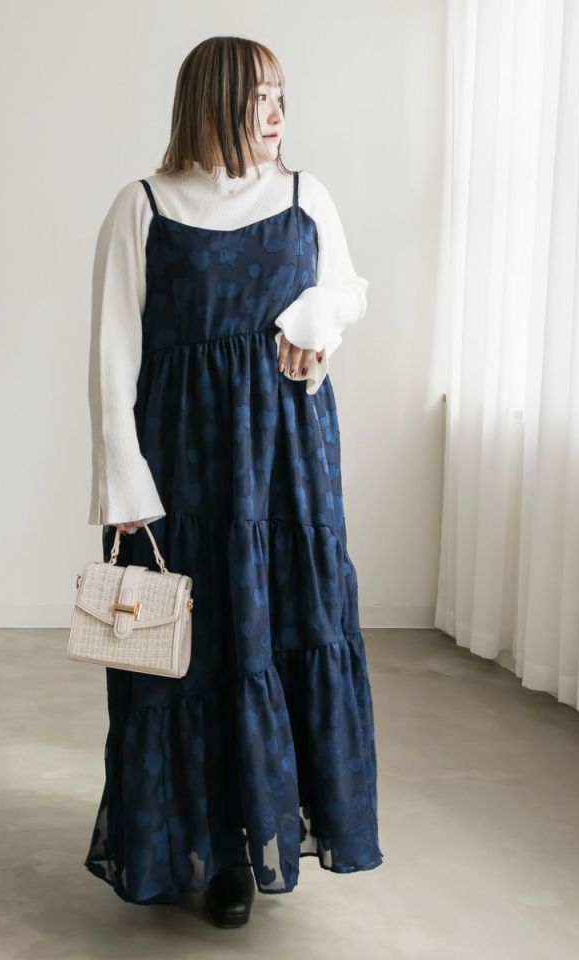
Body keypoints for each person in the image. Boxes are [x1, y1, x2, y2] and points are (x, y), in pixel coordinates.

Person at [85, 35, 384, 927]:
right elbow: (111, 357)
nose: (278, 113)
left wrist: (314, 322)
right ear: (212, 100)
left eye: (282, 95)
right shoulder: (142, 208)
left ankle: (263, 834)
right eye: (260, 97)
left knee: (284, 636)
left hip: (288, 468)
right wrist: (125, 490)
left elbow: (349, 288)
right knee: (193, 654)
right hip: (185, 467)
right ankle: (208, 851)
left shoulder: (302, 195)